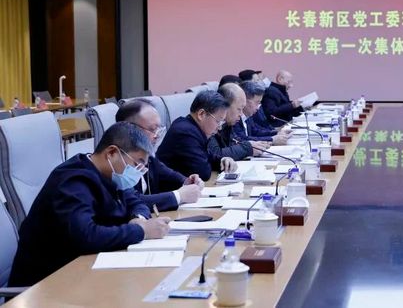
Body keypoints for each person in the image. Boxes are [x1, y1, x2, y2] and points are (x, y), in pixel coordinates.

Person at [8, 122, 171, 286]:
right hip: (46, 285)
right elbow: (86, 236)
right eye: (136, 164)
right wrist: (141, 231)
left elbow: (136, 201)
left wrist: (138, 218)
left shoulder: (110, 175)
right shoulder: (72, 182)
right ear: (112, 153)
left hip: (83, 273)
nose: (138, 172)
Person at [115, 99, 203, 212]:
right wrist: (179, 196)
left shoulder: (148, 156)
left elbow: (169, 175)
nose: (157, 135)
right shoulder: (116, 160)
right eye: (152, 129)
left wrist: (188, 182)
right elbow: (130, 202)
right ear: (130, 129)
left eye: (159, 129)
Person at [157, 90, 237, 181]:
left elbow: (206, 155)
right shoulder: (185, 133)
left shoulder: (190, 127)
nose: (219, 128)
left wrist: (222, 160)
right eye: (218, 121)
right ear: (201, 114)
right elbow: (203, 173)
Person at [208, 83, 271, 160]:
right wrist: (247, 148)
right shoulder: (210, 123)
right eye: (239, 109)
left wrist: (251, 145)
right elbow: (216, 154)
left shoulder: (227, 124)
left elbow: (235, 141)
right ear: (224, 106)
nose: (241, 114)